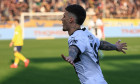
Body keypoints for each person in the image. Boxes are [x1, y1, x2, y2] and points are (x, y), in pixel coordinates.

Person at [61, 4, 127, 84]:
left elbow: (74, 47)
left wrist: (71, 57)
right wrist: (115, 46)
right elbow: (100, 44)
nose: (62, 19)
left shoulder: (76, 36)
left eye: (64, 16)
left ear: (71, 19)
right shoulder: (86, 33)